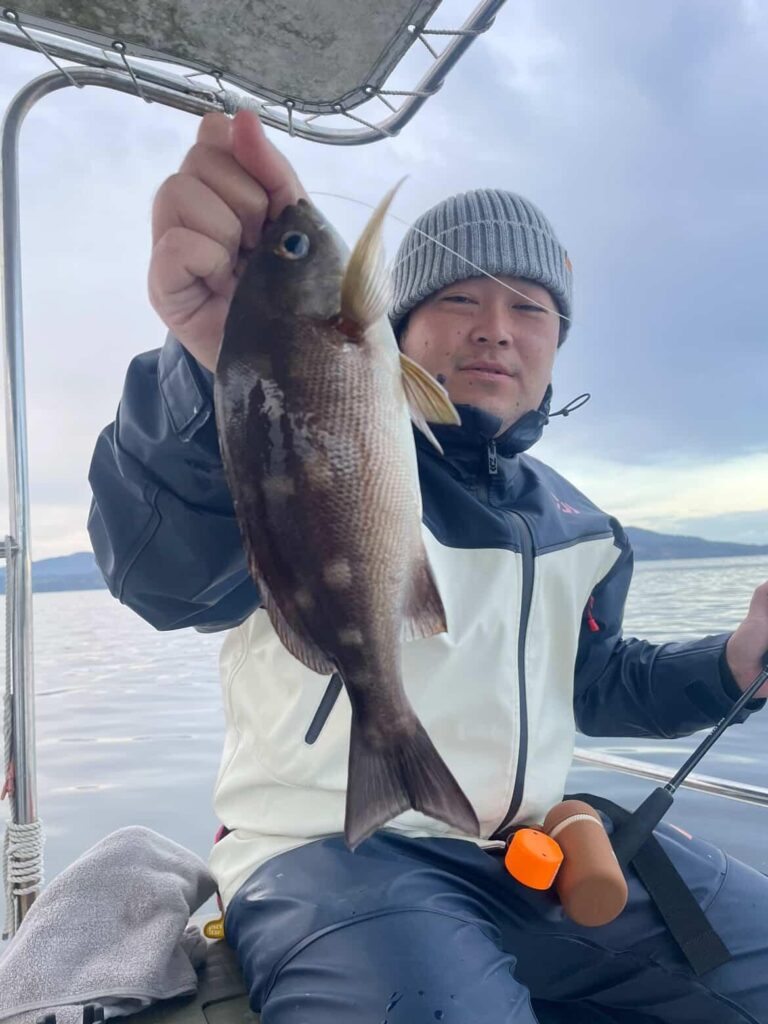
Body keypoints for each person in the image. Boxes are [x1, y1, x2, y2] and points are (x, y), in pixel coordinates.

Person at [88, 110, 768, 1023]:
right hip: (329, 857)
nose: (496, 329)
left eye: (529, 308)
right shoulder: (315, 444)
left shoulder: (585, 527)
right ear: (390, 326)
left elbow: (591, 684)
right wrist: (215, 371)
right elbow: (166, 578)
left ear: (557, 342)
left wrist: (732, 664)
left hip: (529, 856)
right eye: (458, 300)